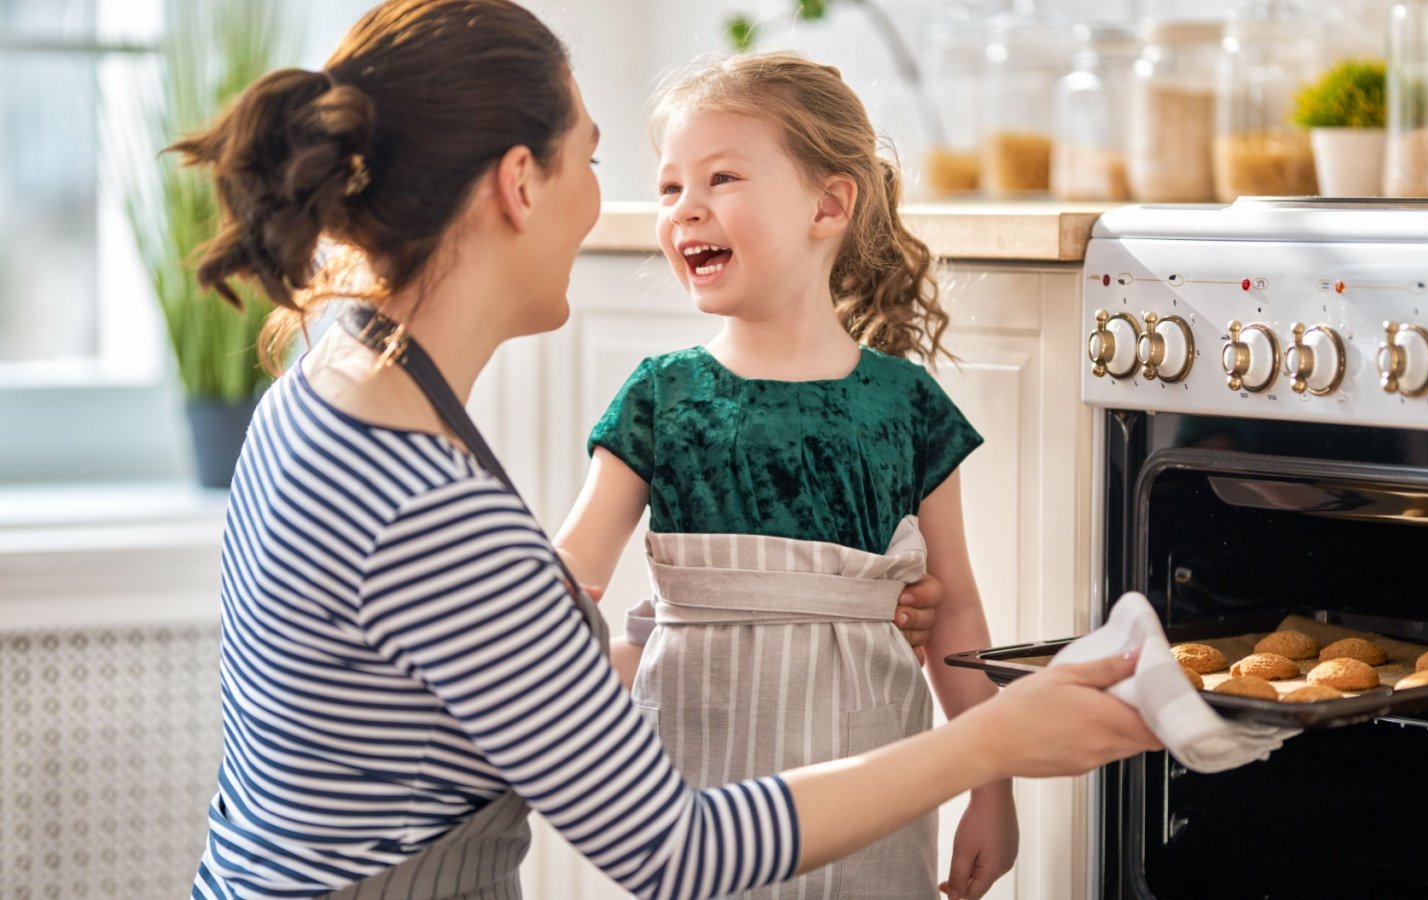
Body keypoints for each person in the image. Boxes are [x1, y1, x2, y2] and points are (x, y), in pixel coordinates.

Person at [177, 2, 1161, 898]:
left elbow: (483, 671)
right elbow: (675, 851)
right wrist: (997, 739)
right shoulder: (426, 498)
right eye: (601, 164)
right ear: (522, 183)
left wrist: (776, 624)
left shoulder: (324, 388)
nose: (650, 211)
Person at [552, 52, 1011, 900]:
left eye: (720, 177)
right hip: (692, 784)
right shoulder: (660, 396)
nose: (686, 208)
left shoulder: (904, 405)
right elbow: (564, 580)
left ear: (828, 205)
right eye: (669, 188)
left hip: (875, 776)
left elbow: (958, 612)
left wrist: (993, 789)